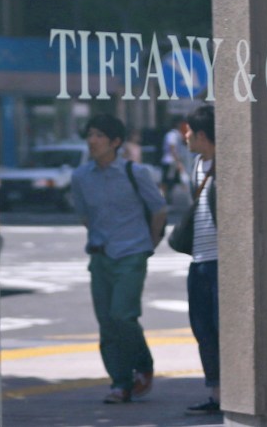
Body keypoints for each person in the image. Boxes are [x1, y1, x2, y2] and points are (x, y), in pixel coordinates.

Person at [71, 113, 168, 404]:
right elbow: (85, 215)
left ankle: (144, 364)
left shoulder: (135, 172)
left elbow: (159, 209)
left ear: (115, 142)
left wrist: (148, 243)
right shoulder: (80, 177)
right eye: (90, 135)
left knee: (123, 316)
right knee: (107, 323)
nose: (92, 140)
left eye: (99, 135)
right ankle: (120, 383)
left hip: (131, 254)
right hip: (100, 256)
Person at [176, 104, 220, 414]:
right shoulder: (196, 166)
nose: (185, 137)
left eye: (189, 131)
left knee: (222, 329)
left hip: (221, 260)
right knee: (202, 328)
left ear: (201, 134)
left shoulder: (227, 165)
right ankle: (216, 394)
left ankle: (232, 393)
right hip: (199, 260)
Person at [160, 117, 188, 203]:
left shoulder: (176, 134)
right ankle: (162, 197)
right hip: (170, 162)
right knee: (167, 181)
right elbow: (172, 148)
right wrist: (178, 161)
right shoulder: (172, 134)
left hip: (172, 162)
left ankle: (168, 197)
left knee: (171, 181)